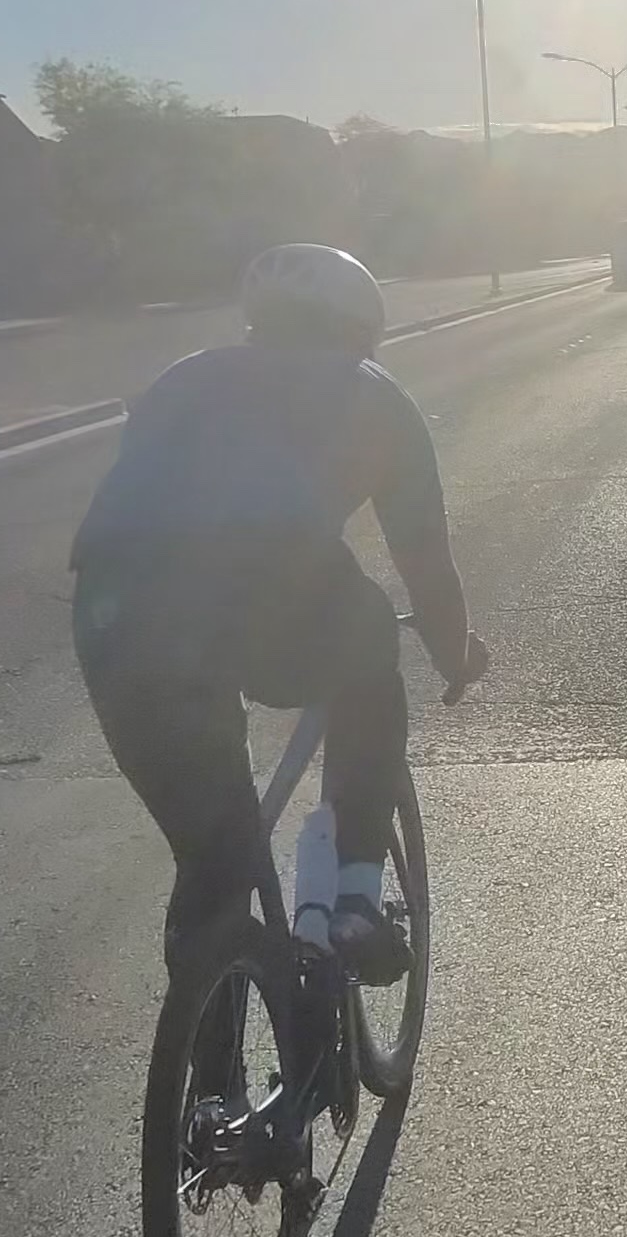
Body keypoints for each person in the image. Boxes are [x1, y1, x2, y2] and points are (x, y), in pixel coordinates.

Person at [71, 240, 488, 980]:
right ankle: (356, 898)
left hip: (114, 603)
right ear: (362, 329)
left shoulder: (181, 378)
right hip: (264, 580)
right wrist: (453, 655)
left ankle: (205, 1032)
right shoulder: (371, 391)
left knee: (214, 858)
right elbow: (424, 559)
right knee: (368, 645)